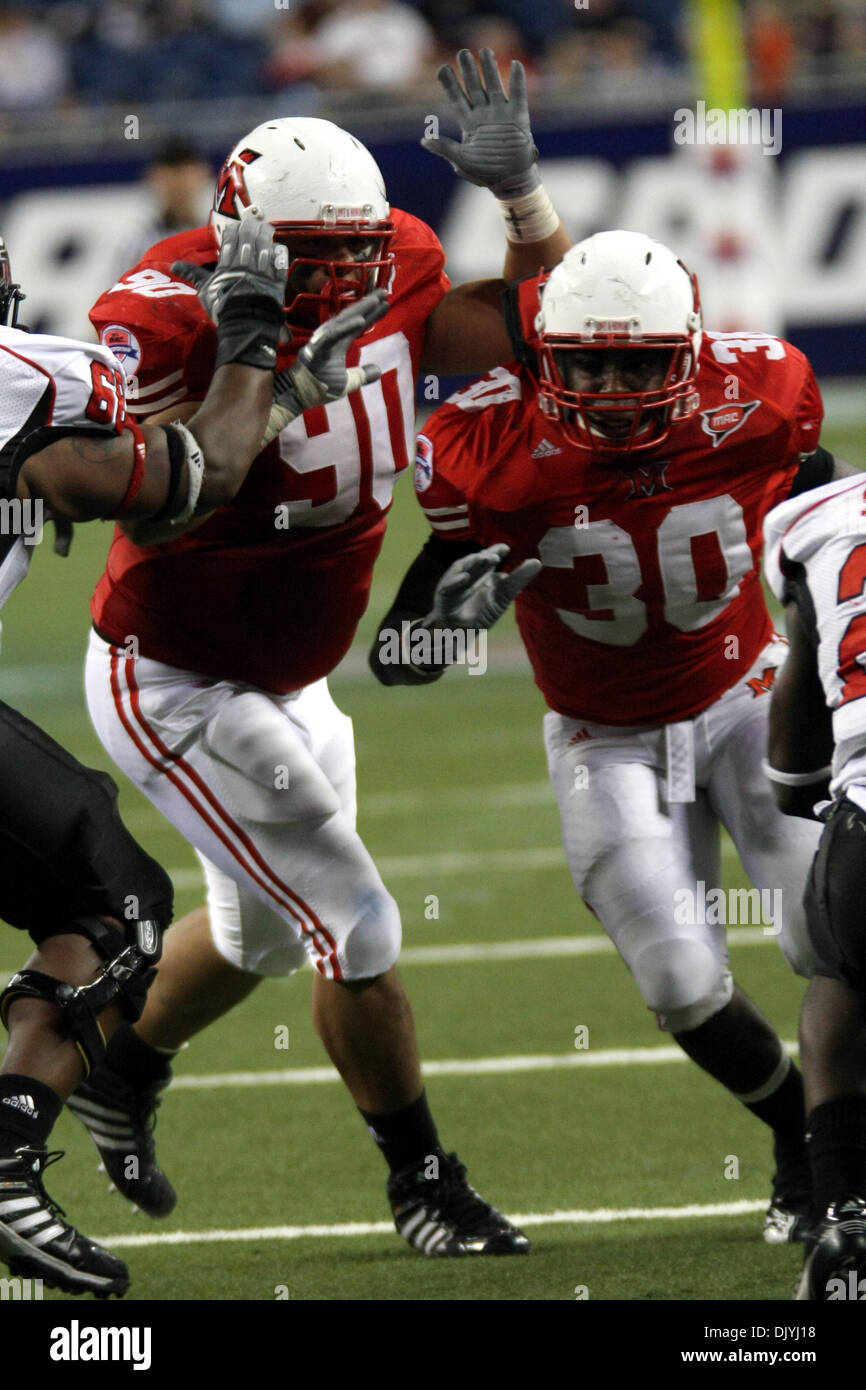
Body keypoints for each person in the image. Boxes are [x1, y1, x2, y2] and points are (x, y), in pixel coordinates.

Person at [70, 51, 571, 1257]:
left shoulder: (391, 254)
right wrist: (266, 385)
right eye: (314, 255)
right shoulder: (158, 311)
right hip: (173, 676)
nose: (346, 273)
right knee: (355, 920)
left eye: (356, 249)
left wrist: (525, 209)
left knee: (253, 932)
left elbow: (524, 337)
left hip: (292, 672)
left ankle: (118, 1068)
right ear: (239, 236)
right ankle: (424, 1185)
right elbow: (143, 506)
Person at [368, 229, 865, 1242]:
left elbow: (833, 516)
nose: (610, 385)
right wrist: (440, 630)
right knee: (681, 987)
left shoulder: (759, 398)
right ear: (541, 355)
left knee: (830, 939)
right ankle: (790, 1138)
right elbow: (396, 655)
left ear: (683, 351)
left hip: (744, 699)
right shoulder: (482, 450)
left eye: (636, 361)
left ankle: (838, 1175)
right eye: (586, 360)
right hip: (601, 734)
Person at [0, 218, 387, 1297]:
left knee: (103, 889)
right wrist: (257, 351)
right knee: (110, 899)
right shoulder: (39, 378)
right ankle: (5, 1165)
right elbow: (195, 473)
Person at [763, 473, 866, 1298]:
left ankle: (846, 1219)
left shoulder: (818, 518)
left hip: (864, 822)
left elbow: (801, 672)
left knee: (841, 984)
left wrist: (798, 788)